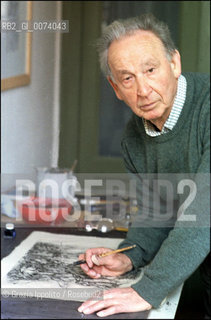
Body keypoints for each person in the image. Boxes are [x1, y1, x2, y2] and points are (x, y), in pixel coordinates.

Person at [77, 14, 210, 318]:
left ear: (174, 64)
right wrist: (128, 255)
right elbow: (157, 211)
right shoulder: (133, 138)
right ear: (115, 88)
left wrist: (146, 289)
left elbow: (204, 213)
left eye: (150, 70)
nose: (143, 90)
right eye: (127, 78)